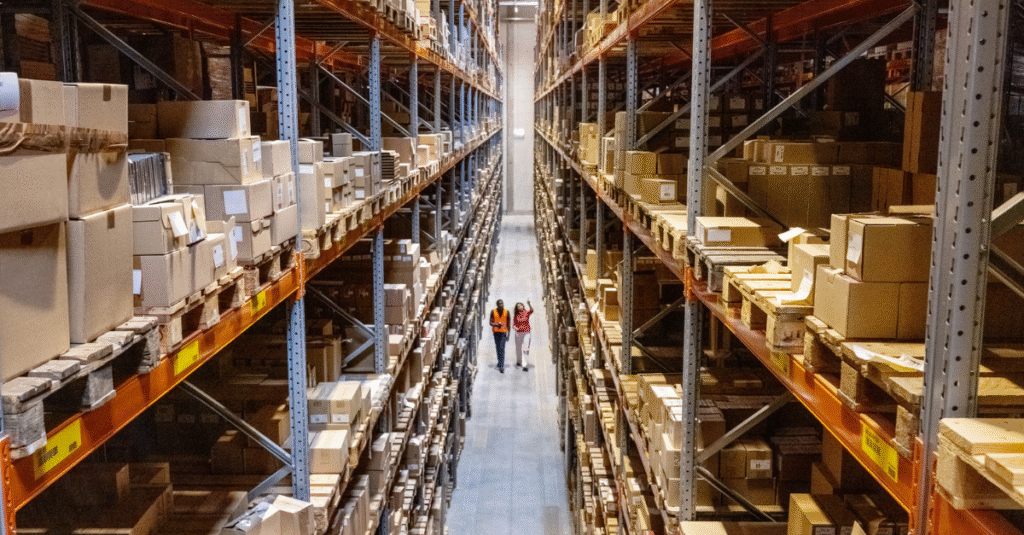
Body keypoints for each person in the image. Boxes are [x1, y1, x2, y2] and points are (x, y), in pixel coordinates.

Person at [513, 301, 534, 371]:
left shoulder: (526, 313)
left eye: (520, 305)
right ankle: (519, 361)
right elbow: (514, 325)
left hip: (526, 333)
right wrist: (516, 328)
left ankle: (524, 365)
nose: (520, 307)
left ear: (523, 306)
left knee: (526, 348)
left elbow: (532, 310)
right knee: (518, 348)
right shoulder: (516, 315)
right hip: (519, 333)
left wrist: (529, 304)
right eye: (518, 306)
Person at [490, 300, 510, 373]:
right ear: (497, 305)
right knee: (498, 348)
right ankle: (499, 362)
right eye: (499, 304)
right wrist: (496, 324)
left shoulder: (507, 312)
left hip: (503, 333)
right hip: (496, 333)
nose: (501, 305)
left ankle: (502, 366)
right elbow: (490, 322)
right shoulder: (493, 311)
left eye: (502, 303)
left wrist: (509, 335)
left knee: (502, 348)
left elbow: (508, 324)